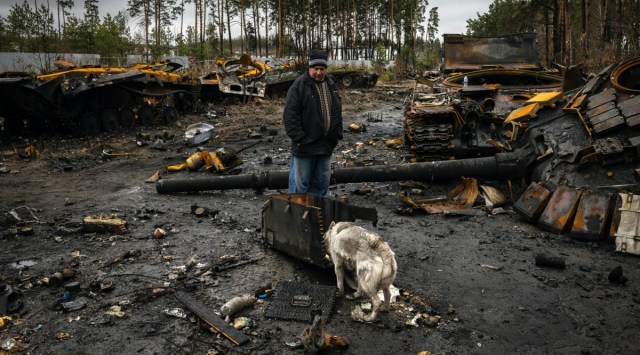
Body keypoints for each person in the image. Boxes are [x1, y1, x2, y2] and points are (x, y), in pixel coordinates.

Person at [284, 48, 343, 196]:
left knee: (321, 184)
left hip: (325, 146)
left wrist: (336, 136)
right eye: (315, 68)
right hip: (305, 146)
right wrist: (299, 138)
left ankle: (316, 215)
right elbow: (290, 115)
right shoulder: (299, 86)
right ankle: (298, 216)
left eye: (322, 69)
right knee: (300, 186)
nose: (318, 72)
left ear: (326, 69)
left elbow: (337, 112)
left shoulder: (331, 86)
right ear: (309, 67)